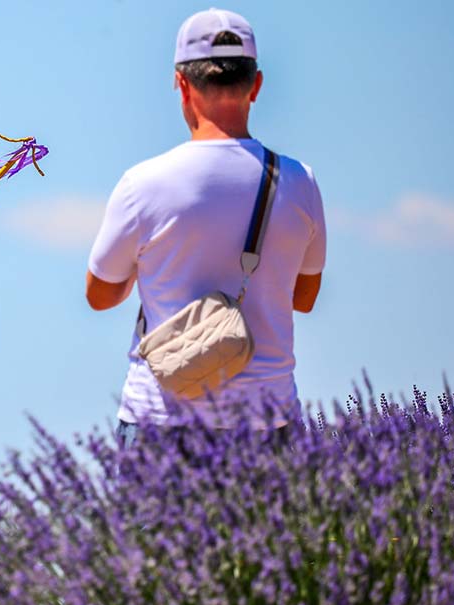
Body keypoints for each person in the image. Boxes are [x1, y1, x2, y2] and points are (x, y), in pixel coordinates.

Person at [85, 8, 326, 441]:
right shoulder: (299, 182)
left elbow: (99, 294)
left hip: (159, 419)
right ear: (256, 84)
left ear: (181, 83)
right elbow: (305, 297)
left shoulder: (142, 185)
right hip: (267, 421)